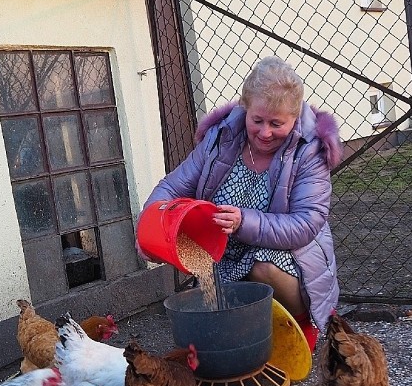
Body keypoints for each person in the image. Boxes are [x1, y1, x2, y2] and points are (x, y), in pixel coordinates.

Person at [139, 56, 342, 351]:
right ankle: (253, 325)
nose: (265, 132)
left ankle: (301, 323)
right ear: (245, 109)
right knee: (216, 344)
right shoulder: (221, 137)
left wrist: (243, 222)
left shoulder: (308, 151)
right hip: (221, 255)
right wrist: (152, 223)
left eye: (277, 123)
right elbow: (171, 186)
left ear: (295, 116)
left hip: (285, 257)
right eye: (257, 120)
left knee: (263, 267)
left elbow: (306, 223)